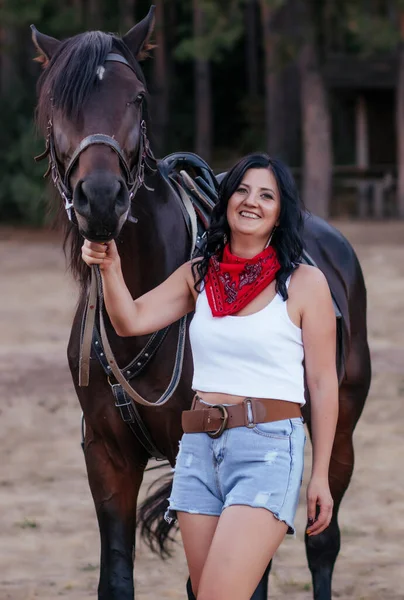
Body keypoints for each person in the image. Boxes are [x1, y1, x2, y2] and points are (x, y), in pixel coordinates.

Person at [81, 153, 338, 600]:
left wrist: (322, 476)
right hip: (198, 450)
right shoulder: (199, 275)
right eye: (241, 190)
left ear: (281, 212)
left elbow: (321, 382)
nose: (251, 202)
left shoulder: (305, 283)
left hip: (268, 450)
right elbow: (130, 319)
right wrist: (109, 266)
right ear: (226, 200)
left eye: (266, 195)